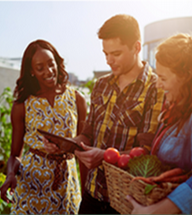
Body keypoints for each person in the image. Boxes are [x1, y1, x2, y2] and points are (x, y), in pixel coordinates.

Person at [126, 33, 192, 214]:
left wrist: (154, 212)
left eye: (163, 78)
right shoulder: (175, 112)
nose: (158, 85)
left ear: (186, 76)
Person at [71, 14, 165, 214]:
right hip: (92, 194)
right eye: (105, 54)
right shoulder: (101, 85)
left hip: (127, 201)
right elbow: (87, 134)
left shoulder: (155, 88)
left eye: (116, 53)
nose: (109, 61)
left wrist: (104, 156)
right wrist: (68, 144)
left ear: (137, 47)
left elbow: (147, 151)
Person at [0, 39, 87, 214]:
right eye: (40, 68)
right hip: (31, 187)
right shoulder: (22, 105)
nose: (48, 71)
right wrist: (10, 175)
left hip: (66, 185)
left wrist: (86, 194)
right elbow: (15, 154)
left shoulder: (77, 99)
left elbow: (84, 148)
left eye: (50, 64)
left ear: (57, 62)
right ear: (31, 71)